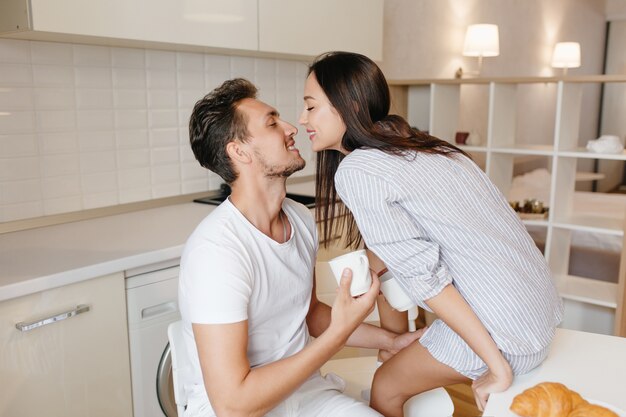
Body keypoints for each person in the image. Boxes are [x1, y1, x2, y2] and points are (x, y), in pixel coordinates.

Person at [299, 51, 564, 416]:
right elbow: (388, 259)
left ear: (351, 106)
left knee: (386, 386)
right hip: (537, 309)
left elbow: (427, 279)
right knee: (393, 364)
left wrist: (496, 366)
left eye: (310, 107)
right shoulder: (427, 147)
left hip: (506, 331)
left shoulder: (358, 170)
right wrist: (394, 341)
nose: (302, 120)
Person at [179, 78, 422, 417]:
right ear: (239, 151)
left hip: (306, 393)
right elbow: (232, 404)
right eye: (272, 122)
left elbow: (308, 315)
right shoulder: (217, 252)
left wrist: (390, 341)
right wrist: (337, 336)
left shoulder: (300, 218)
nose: (292, 128)